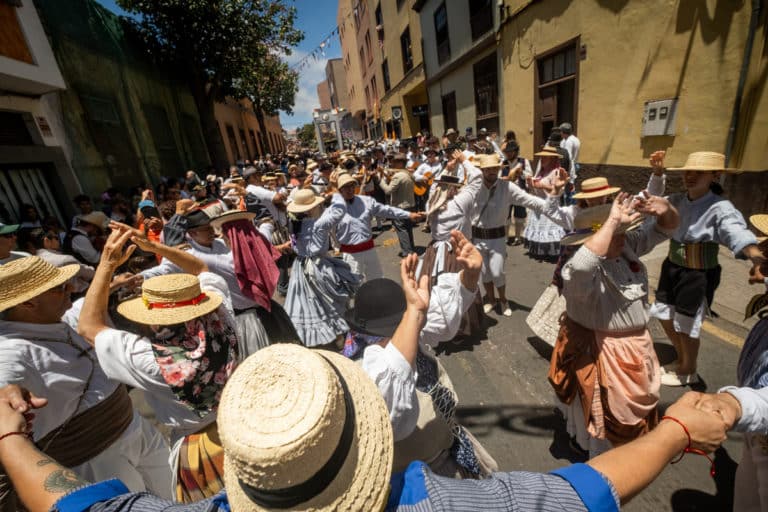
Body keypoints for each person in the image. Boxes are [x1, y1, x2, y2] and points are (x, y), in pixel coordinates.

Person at [0, 349, 734, 512]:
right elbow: (582, 493)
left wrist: (9, 441)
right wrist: (673, 431)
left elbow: (68, 502)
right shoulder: (440, 505)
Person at [77, 225, 240, 502]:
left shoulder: (153, 360)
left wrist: (106, 264)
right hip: (239, 425)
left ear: (153, 317)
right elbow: (201, 269)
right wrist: (156, 247)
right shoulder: (222, 317)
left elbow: (87, 326)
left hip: (200, 448)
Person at [0, 256, 172, 509]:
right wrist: (6, 391)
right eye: (59, 288)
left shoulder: (57, 320)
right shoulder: (11, 350)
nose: (70, 288)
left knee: (175, 493)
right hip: (95, 457)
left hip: (133, 428)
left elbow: (91, 301)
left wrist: (109, 266)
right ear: (28, 302)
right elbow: (5, 378)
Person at [350, 233, 498, 478]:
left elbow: (440, 315)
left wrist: (470, 276)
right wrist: (414, 315)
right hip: (417, 480)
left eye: (402, 325)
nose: (404, 332)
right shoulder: (365, 374)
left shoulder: (409, 336)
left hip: (451, 450)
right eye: (396, 328)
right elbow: (391, 392)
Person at [551, 193, 679, 458]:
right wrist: (610, 225)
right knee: (605, 416)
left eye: (623, 232)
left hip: (633, 348)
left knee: (630, 409)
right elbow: (580, 269)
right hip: (603, 351)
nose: (624, 237)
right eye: (616, 233)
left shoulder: (626, 244)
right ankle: (603, 462)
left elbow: (666, 228)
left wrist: (666, 209)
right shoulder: (579, 266)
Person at [648, 151, 765, 386]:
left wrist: (755, 255)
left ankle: (688, 368)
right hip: (673, 267)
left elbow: (735, 230)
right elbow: (654, 200)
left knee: (687, 323)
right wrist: (658, 174)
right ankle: (682, 358)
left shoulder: (720, 207)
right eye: (688, 172)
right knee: (663, 313)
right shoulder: (679, 200)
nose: (690, 176)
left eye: (698, 173)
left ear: (715, 175)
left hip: (697, 273)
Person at [470, 153, 554, 317]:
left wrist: (552, 207)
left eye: (495, 168)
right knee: (485, 272)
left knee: (497, 272)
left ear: (499, 169)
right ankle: (491, 300)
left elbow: (529, 200)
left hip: (497, 238)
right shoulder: (474, 187)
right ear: (482, 171)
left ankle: (503, 299)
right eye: (488, 169)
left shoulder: (506, 187)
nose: (492, 172)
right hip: (478, 237)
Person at [284, 189, 360, 348]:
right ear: (312, 208)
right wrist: (336, 193)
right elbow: (340, 210)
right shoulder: (319, 223)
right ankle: (340, 338)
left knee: (310, 301)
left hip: (300, 266)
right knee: (330, 300)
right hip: (319, 266)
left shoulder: (294, 224)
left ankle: (326, 337)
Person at [333, 173, 422, 281]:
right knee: (354, 284)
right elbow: (331, 231)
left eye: (352, 186)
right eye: (346, 187)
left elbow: (387, 211)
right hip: (351, 254)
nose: (350, 189)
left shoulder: (366, 201)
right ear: (340, 190)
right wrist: (338, 247)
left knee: (377, 280)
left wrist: (408, 215)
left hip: (369, 250)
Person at [379, 153, 417, 257]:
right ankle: (411, 250)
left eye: (394, 162)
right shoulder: (409, 174)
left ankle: (407, 253)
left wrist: (381, 180)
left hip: (400, 207)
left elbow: (388, 191)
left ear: (400, 163)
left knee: (402, 230)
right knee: (408, 229)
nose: (392, 164)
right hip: (410, 205)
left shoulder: (398, 176)